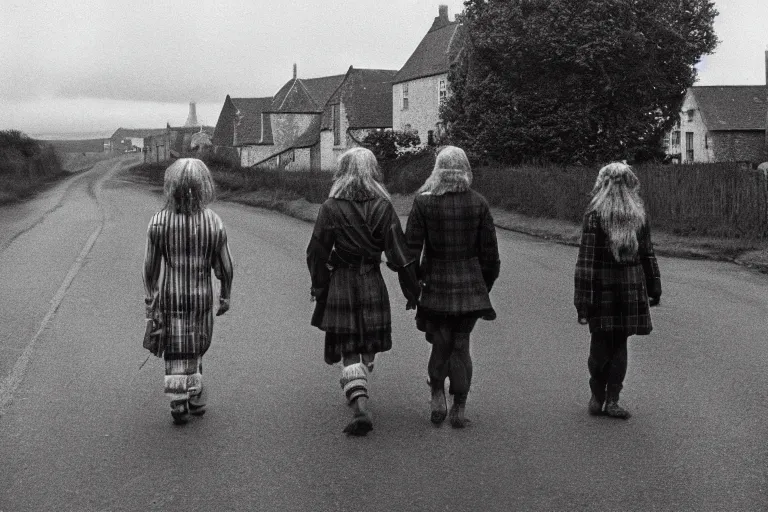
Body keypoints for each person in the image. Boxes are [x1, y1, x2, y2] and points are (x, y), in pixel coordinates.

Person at [307, 147, 419, 436]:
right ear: (373, 171)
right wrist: (412, 290)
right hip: (371, 279)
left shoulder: (331, 207)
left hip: (341, 281)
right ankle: (359, 398)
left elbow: (316, 252)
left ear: (342, 172)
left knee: (349, 347)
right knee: (367, 343)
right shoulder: (383, 207)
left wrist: (319, 286)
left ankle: (356, 391)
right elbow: (400, 254)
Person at [405, 146, 500, 428]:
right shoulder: (478, 203)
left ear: (437, 171)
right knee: (461, 344)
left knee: (441, 341)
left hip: (435, 284)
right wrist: (483, 286)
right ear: (466, 170)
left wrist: (414, 287)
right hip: (470, 287)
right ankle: (459, 405)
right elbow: (490, 256)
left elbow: (410, 251)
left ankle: (437, 393)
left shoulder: (423, 203)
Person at [143, 158, 233, 425]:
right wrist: (225, 293)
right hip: (201, 296)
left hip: (171, 295)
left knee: (175, 346)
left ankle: (179, 399)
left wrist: (151, 296)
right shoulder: (213, 222)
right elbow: (226, 266)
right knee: (196, 342)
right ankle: (192, 395)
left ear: (171, 185)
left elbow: (150, 266)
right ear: (203, 185)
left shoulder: (159, 222)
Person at [574, 162, 661, 419]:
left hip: (601, 288)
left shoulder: (594, 215)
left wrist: (581, 301)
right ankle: (610, 399)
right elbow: (648, 255)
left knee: (600, 342)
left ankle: (599, 395)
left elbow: (585, 262)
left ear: (602, 183)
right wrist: (654, 287)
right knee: (619, 343)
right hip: (630, 288)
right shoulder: (638, 215)